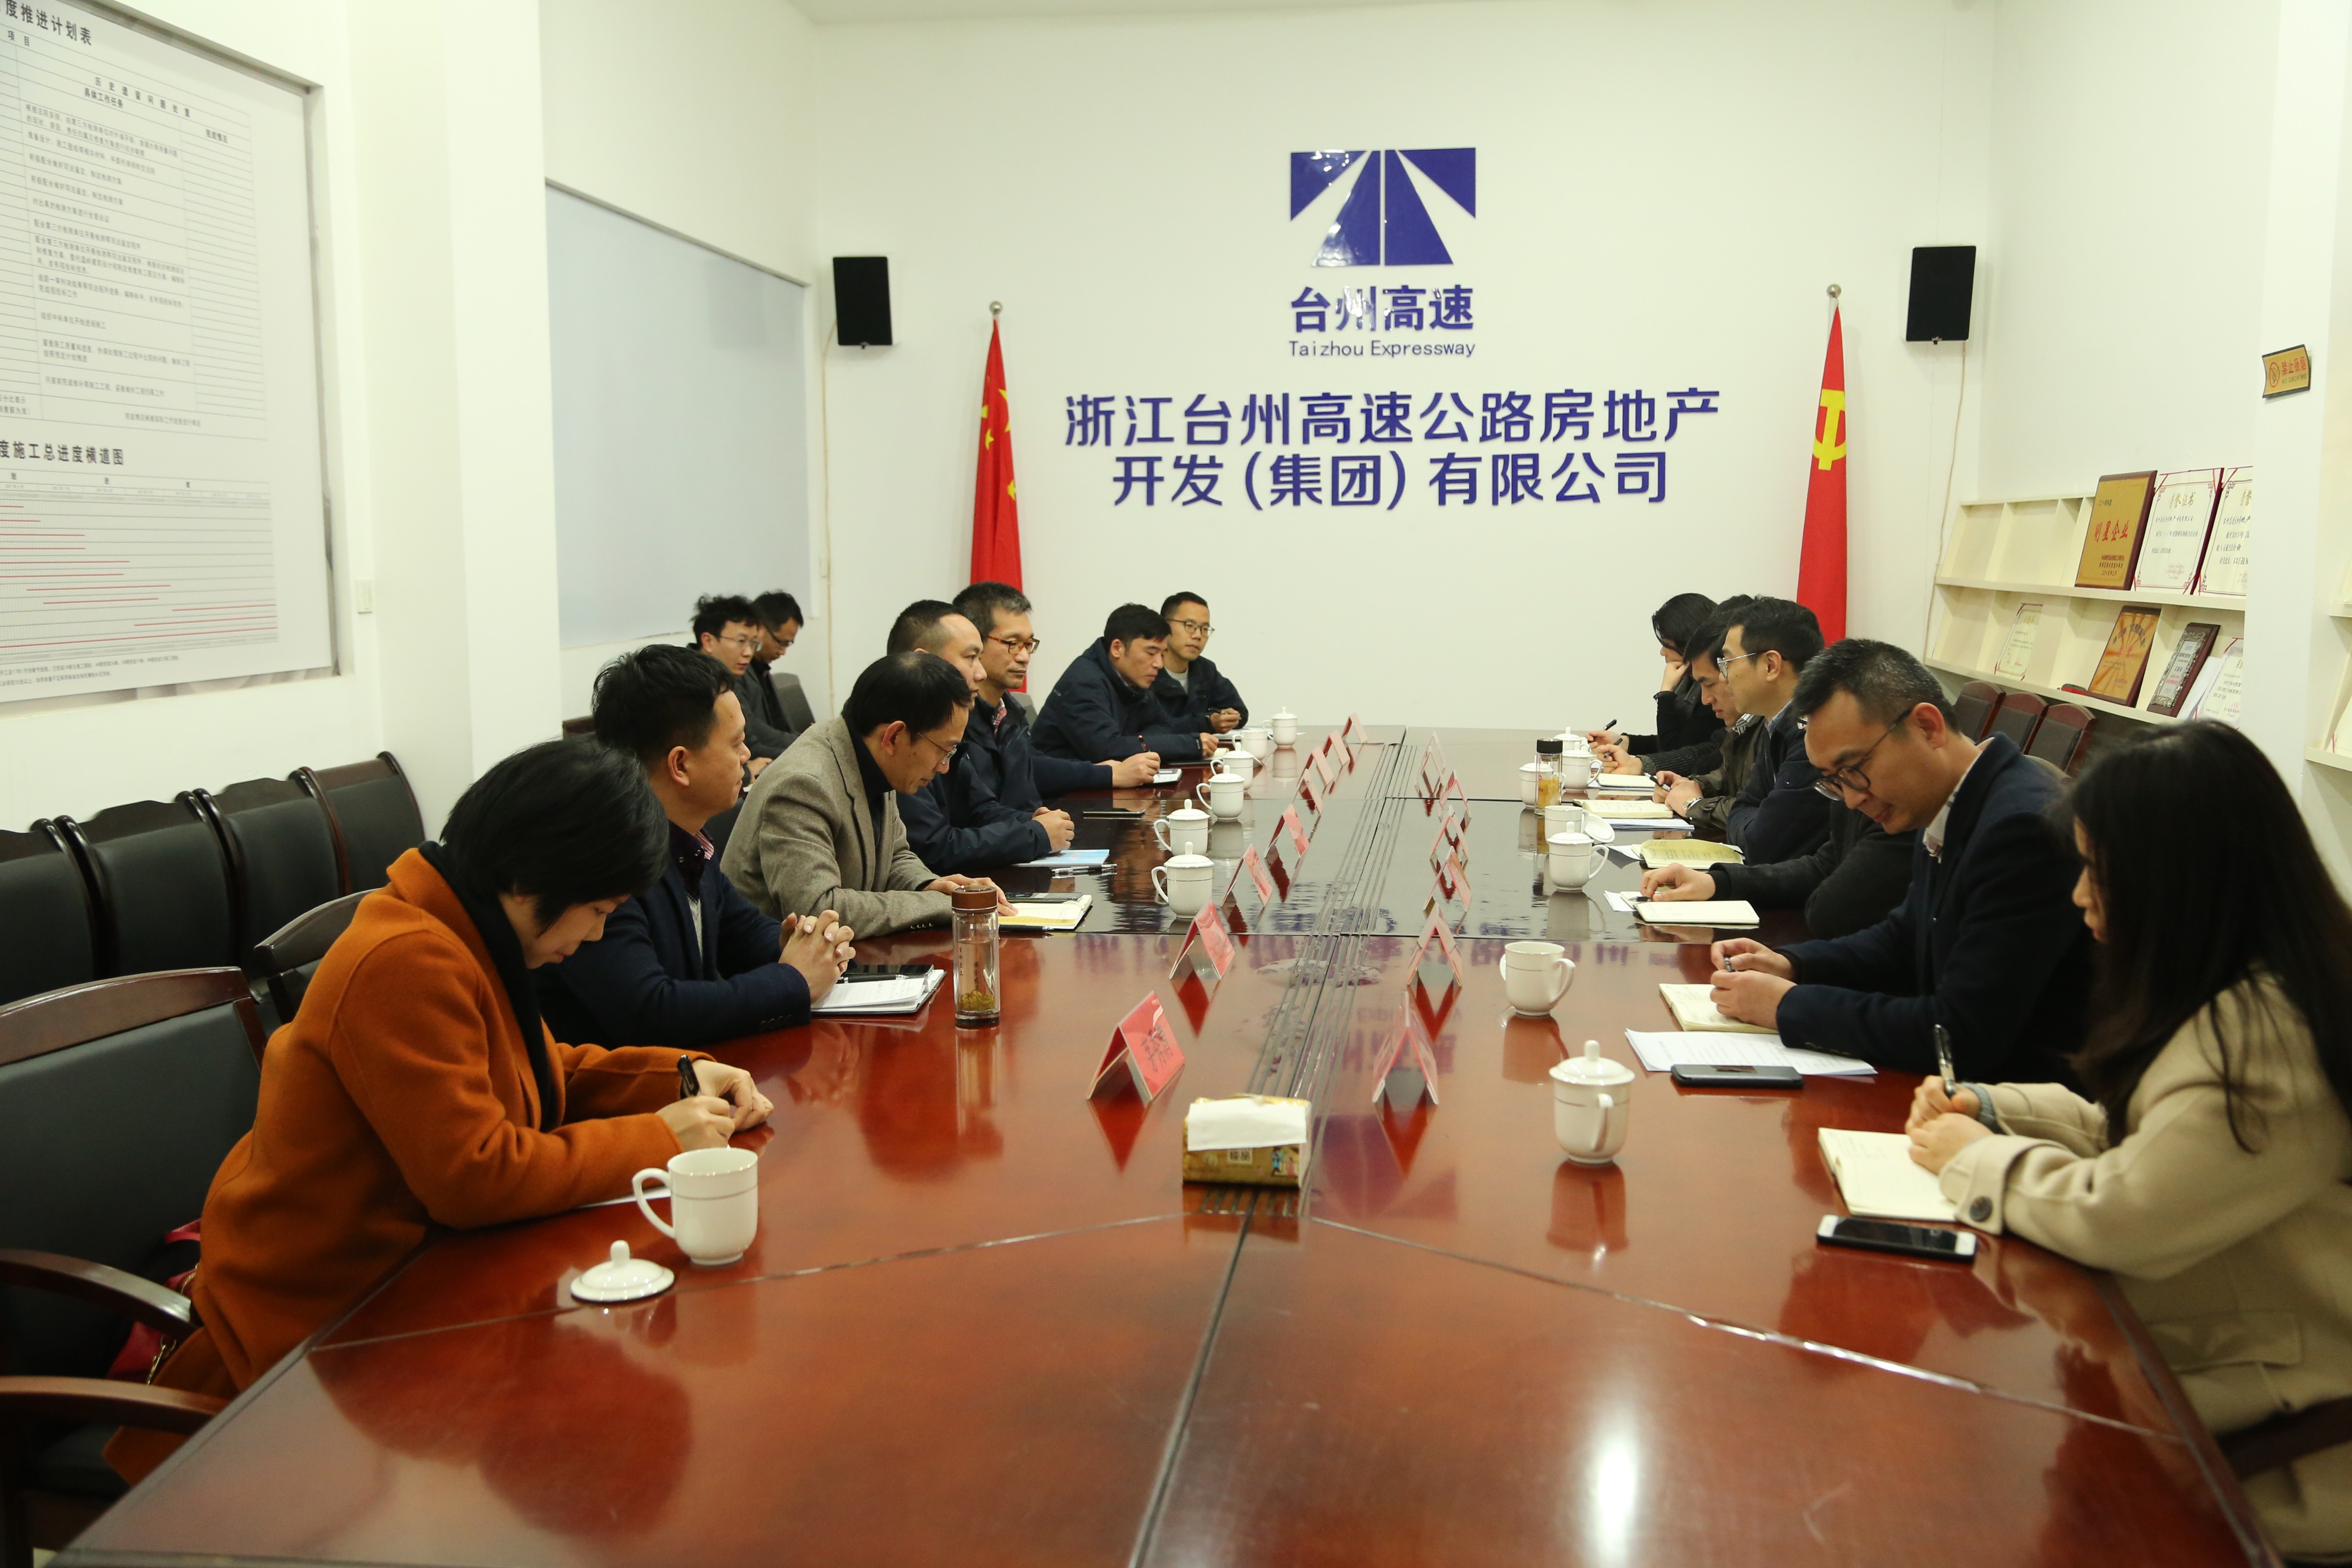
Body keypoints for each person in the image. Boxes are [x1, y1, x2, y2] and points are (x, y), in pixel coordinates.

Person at [105, 741, 774, 1484]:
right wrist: (657, 1139)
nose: (593, 935)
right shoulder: (406, 958)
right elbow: (475, 1176)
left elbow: (539, 1068)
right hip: (318, 1338)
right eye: (597, 911)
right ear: (532, 879)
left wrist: (679, 1076)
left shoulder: (465, 929)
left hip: (420, 1285)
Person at [1906, 722, 2352, 1562]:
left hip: (2281, 1441)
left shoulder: (2267, 1034)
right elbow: (2144, 1139)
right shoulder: (2248, 982)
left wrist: (1972, 1155)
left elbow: (2123, 1214)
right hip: (2205, 1376)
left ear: (2180, 882)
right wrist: (1994, 1106)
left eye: (2098, 872)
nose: (2079, 896)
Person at [1706, 639, 2091, 1081]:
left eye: (1853, 769)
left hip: (2020, 1101)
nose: (1852, 800)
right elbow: (1904, 938)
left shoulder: (2021, 828)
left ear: (1927, 727)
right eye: (1834, 781)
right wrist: (1794, 964)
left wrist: (1787, 1006)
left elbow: (1960, 1033)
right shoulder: (1953, 800)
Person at [536, 644, 855, 1048]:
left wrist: (804, 944)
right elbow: (650, 1012)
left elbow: (739, 930)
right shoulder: (605, 858)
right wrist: (793, 980)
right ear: (681, 764)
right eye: (736, 743)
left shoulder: (687, 838)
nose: (747, 755)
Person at [722, 650, 1004, 936]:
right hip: (770, 959)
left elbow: (894, 856)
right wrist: (939, 904)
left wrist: (928, 885)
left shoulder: (873, 753)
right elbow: (818, 910)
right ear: (894, 736)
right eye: (945, 750)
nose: (944, 767)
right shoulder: (804, 784)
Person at [887, 599, 1071, 873]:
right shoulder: (898, 732)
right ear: (924, 661)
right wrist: (1034, 835)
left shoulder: (944, 725)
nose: (981, 673)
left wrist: (1031, 821)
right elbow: (932, 848)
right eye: (971, 658)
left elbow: (980, 809)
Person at [1713, 596, 1832, 863]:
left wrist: (1753, 821)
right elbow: (1743, 806)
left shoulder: (1814, 735)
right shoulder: (1775, 722)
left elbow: (1763, 844)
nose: (1723, 676)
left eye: (1728, 663)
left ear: (1771, 665)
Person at [1032, 602, 1212, 764]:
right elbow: (1106, 750)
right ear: (1117, 648)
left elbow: (1165, 725)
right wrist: (1190, 744)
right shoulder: (1083, 683)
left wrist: (1134, 743)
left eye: (1162, 654)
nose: (1159, 664)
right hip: (1060, 787)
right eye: (1151, 653)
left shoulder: (1133, 678)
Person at [1648, 599, 1757, 838]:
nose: (1706, 700)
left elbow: (1763, 814)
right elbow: (1726, 774)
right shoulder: (1750, 722)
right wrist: (1696, 785)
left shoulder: (1789, 728)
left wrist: (1693, 804)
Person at [1590, 592, 1726, 777]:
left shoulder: (1712, 692)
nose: (1663, 652)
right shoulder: (1690, 685)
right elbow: (1678, 743)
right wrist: (1626, 742)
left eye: (1667, 644)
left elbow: (1676, 748)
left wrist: (1666, 694)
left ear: (1688, 643)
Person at [692, 593, 793, 767]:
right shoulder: (689, 684)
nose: (748, 653)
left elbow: (750, 740)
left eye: (753, 643)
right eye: (741, 641)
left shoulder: (726, 676)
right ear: (708, 642)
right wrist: (746, 774)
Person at [1156, 592, 1247, 735]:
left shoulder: (1205, 669)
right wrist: (1206, 722)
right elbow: (1152, 729)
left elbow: (1240, 713)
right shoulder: (1147, 670)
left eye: (1205, 629)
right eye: (1189, 626)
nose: (1198, 635)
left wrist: (1223, 719)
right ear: (1164, 626)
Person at [742, 589, 804, 746]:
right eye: (781, 642)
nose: (783, 652)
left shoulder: (762, 669)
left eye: (788, 645)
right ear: (760, 629)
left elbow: (780, 727)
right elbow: (757, 733)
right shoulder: (738, 672)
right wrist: (803, 744)